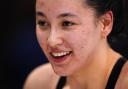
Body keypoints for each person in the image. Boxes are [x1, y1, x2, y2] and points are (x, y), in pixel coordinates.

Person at [23, 0, 128, 89]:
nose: (51, 41)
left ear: (105, 23)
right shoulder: (39, 83)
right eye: (42, 23)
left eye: (67, 23)